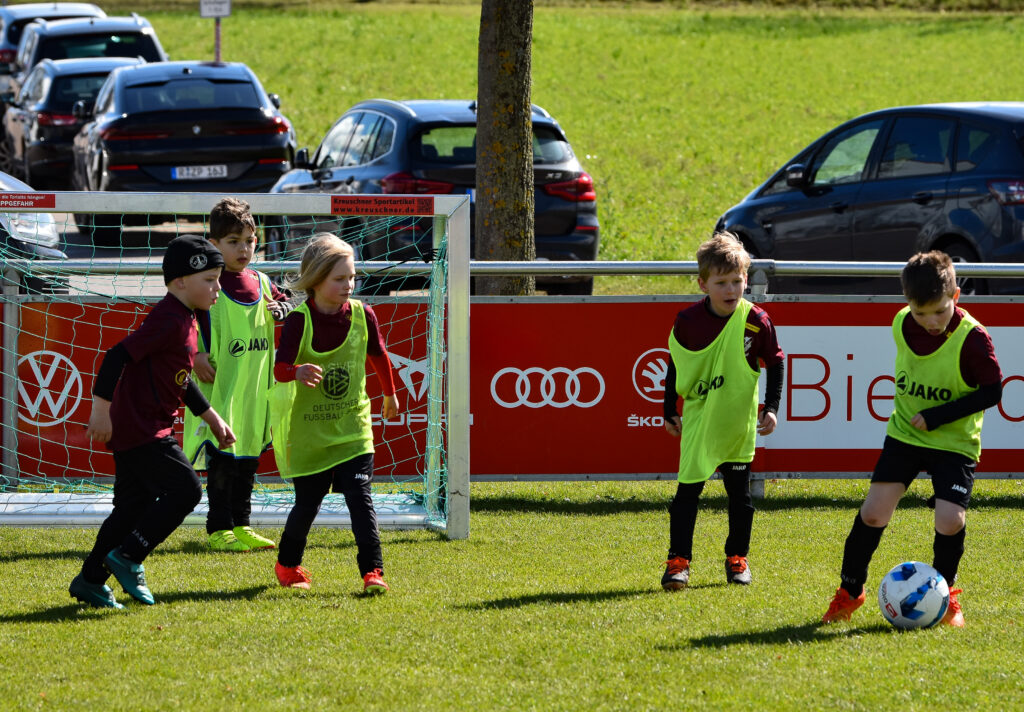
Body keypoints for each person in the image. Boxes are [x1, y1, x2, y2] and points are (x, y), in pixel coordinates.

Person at [822, 251, 1003, 627]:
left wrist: (937, 416)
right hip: (904, 435)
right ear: (907, 304)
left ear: (956, 295)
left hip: (954, 442)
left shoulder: (974, 340)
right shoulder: (901, 323)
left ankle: (946, 597)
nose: (931, 322)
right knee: (873, 513)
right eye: (921, 313)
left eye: (940, 311)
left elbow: (993, 391)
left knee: (950, 521)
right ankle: (849, 592)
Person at [69, 235, 236, 609]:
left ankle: (91, 580)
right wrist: (100, 410)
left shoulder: (186, 317)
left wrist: (211, 417)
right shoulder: (169, 320)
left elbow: (180, 378)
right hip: (141, 428)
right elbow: (116, 356)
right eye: (210, 280)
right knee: (187, 490)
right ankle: (129, 556)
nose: (217, 288)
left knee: (131, 507)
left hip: (140, 426)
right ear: (180, 281)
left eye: (219, 279)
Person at [269, 233, 399, 594]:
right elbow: (279, 369)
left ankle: (373, 572)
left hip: (353, 429)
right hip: (310, 433)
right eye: (339, 278)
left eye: (352, 277)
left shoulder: (363, 314)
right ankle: (288, 565)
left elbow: (379, 355)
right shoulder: (299, 321)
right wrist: (296, 371)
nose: (349, 285)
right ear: (315, 280)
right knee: (307, 504)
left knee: (361, 499)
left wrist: (389, 393)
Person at [661, 232, 784, 590]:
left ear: (746, 279)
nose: (731, 290)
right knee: (686, 496)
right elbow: (676, 365)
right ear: (703, 284)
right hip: (700, 423)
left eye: (736, 281)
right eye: (721, 283)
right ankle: (678, 562)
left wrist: (771, 407)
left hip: (737, 425)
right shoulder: (687, 322)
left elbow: (776, 363)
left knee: (740, 498)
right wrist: (669, 408)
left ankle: (737, 559)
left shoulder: (756, 321)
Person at [184, 197, 293, 553]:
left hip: (255, 390)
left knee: (247, 459)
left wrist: (284, 307)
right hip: (220, 388)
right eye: (233, 242)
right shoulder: (207, 282)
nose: (243, 249)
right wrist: (195, 353)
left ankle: (242, 524)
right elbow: (182, 319)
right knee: (222, 459)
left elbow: (290, 301)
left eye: (249, 241)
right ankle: (218, 527)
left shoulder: (262, 282)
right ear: (213, 244)